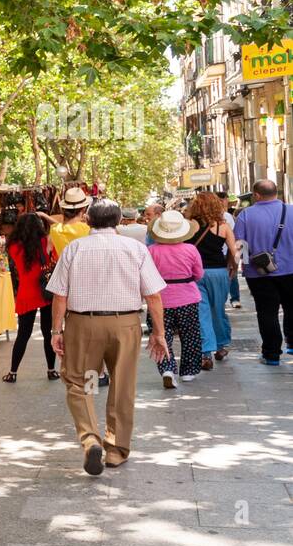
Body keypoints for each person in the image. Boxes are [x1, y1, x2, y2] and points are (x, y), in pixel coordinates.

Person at [48, 198, 167, 475]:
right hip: (125, 325)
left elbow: (60, 296)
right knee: (121, 384)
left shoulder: (74, 249)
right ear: (118, 222)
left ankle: (90, 439)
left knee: (83, 383)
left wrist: (56, 331)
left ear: (88, 221)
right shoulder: (135, 249)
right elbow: (153, 296)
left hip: (84, 326)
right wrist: (159, 333)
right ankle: (116, 449)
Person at [233, 179, 293, 364]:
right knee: (292, 307)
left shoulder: (245, 215)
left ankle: (271, 354)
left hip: (258, 273)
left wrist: (243, 265)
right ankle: (292, 344)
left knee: (267, 312)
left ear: (256, 195)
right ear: (276, 192)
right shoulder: (291, 211)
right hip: (291, 270)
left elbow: (239, 245)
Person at [147, 210, 205, 389]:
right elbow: (199, 274)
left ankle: (167, 369)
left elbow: (146, 277)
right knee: (191, 336)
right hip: (187, 298)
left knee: (161, 335)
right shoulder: (190, 249)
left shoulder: (151, 251)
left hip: (159, 301)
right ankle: (188, 371)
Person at [2, 212, 59, 382]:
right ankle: (51, 370)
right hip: (45, 290)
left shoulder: (13, 246)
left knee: (23, 335)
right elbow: (60, 228)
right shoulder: (47, 242)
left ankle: (13, 372)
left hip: (26, 293)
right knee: (48, 332)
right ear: (39, 227)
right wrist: (45, 217)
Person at [184, 191, 238, 368]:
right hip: (218, 272)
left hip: (194, 274)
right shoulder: (222, 226)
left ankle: (205, 353)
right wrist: (233, 267)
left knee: (201, 313)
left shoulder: (188, 225)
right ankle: (221, 346)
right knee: (218, 309)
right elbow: (234, 251)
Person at [42, 187, 92, 256]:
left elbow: (48, 251)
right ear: (83, 209)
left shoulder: (54, 230)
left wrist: (44, 215)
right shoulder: (88, 230)